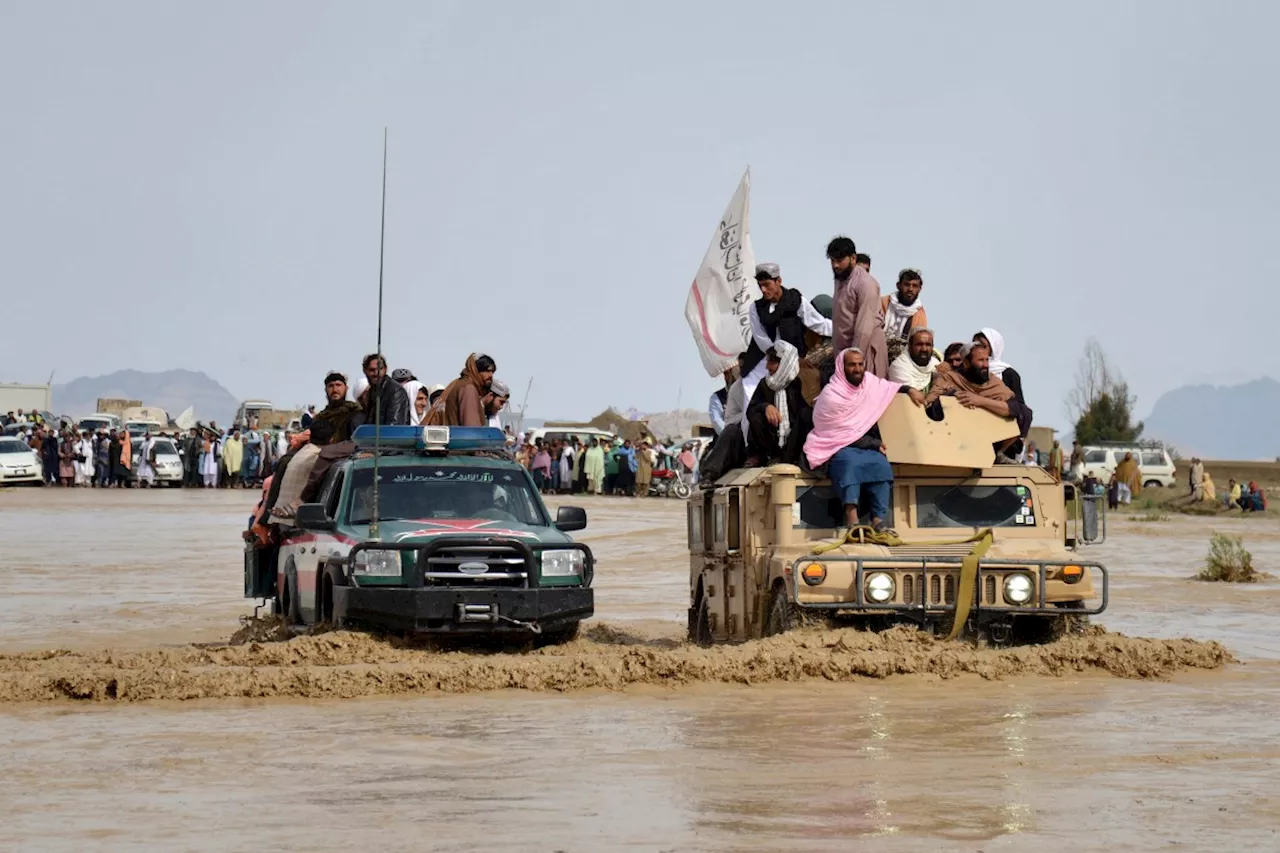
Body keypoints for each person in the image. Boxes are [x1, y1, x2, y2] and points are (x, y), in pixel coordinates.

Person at [803, 348, 902, 531]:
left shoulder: (870, 384)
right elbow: (841, 433)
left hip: (865, 445)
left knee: (880, 464)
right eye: (852, 365)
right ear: (841, 367)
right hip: (836, 445)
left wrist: (911, 391)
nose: (857, 369)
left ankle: (878, 519)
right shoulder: (831, 395)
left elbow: (891, 388)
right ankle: (852, 517)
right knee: (850, 463)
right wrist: (873, 443)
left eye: (860, 364)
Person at [740, 263, 832, 435]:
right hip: (764, 361)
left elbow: (817, 323)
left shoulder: (796, 301)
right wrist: (776, 360)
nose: (764, 290)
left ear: (779, 281)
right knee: (752, 398)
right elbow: (761, 339)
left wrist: (844, 329)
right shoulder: (756, 308)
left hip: (793, 362)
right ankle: (751, 448)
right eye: (760, 286)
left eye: (767, 284)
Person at [924, 342, 1033, 455]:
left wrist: (980, 401)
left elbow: (1015, 408)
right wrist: (953, 394)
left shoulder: (993, 382)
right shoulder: (951, 378)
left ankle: (998, 454)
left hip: (989, 439)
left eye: (986, 360)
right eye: (980, 360)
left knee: (1025, 413)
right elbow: (931, 402)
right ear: (966, 363)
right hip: (954, 437)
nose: (985, 365)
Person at [828, 236, 887, 377]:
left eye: (839, 260)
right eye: (832, 260)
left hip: (865, 349)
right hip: (846, 352)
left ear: (853, 258)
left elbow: (864, 327)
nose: (835, 265)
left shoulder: (866, 283)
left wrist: (854, 359)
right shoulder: (841, 278)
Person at [746, 342, 809, 466]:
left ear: (784, 363)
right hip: (774, 441)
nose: (767, 367)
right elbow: (750, 410)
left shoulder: (801, 381)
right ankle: (772, 456)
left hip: (796, 441)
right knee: (756, 416)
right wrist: (765, 406)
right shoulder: (765, 383)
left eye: (772, 362)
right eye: (768, 362)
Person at [429, 353, 495, 427]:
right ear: (475, 370)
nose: (490, 375)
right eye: (486, 371)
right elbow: (472, 430)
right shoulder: (469, 389)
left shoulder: (463, 384)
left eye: (492, 372)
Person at [881, 269, 929, 364]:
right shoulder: (883, 302)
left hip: (902, 360)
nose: (910, 289)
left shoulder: (920, 315)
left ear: (920, 289)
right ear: (898, 286)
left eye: (915, 286)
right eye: (907, 284)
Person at [310, 371, 365, 444]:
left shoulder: (355, 411)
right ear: (326, 390)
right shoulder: (320, 417)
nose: (335, 390)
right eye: (331, 386)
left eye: (338, 385)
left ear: (346, 388)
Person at [972, 329, 1024, 403]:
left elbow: (1019, 408)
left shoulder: (1009, 374)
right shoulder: (970, 370)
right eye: (975, 345)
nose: (979, 349)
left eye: (983, 346)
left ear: (994, 348)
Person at [360, 353, 411, 426]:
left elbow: (394, 427)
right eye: (372, 370)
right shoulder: (373, 390)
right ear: (365, 370)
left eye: (379, 369)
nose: (376, 373)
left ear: (385, 369)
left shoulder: (395, 391)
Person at [887, 327, 938, 399]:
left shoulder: (936, 364)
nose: (924, 349)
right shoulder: (899, 366)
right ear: (910, 346)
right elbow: (912, 396)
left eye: (928, 345)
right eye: (919, 344)